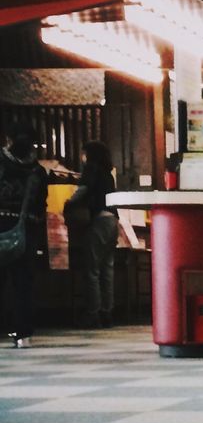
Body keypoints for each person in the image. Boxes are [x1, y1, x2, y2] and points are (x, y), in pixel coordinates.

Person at [0, 120, 48, 348]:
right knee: (23, 284)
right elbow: (41, 205)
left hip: (0, 226)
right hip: (25, 230)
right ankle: (23, 335)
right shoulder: (38, 171)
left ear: (8, 139)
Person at [66, 140, 118, 328]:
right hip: (113, 221)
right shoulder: (108, 173)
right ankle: (107, 312)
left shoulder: (91, 169)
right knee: (107, 269)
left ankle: (93, 313)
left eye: (84, 153)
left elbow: (82, 191)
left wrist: (68, 203)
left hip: (98, 220)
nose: (82, 156)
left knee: (92, 270)